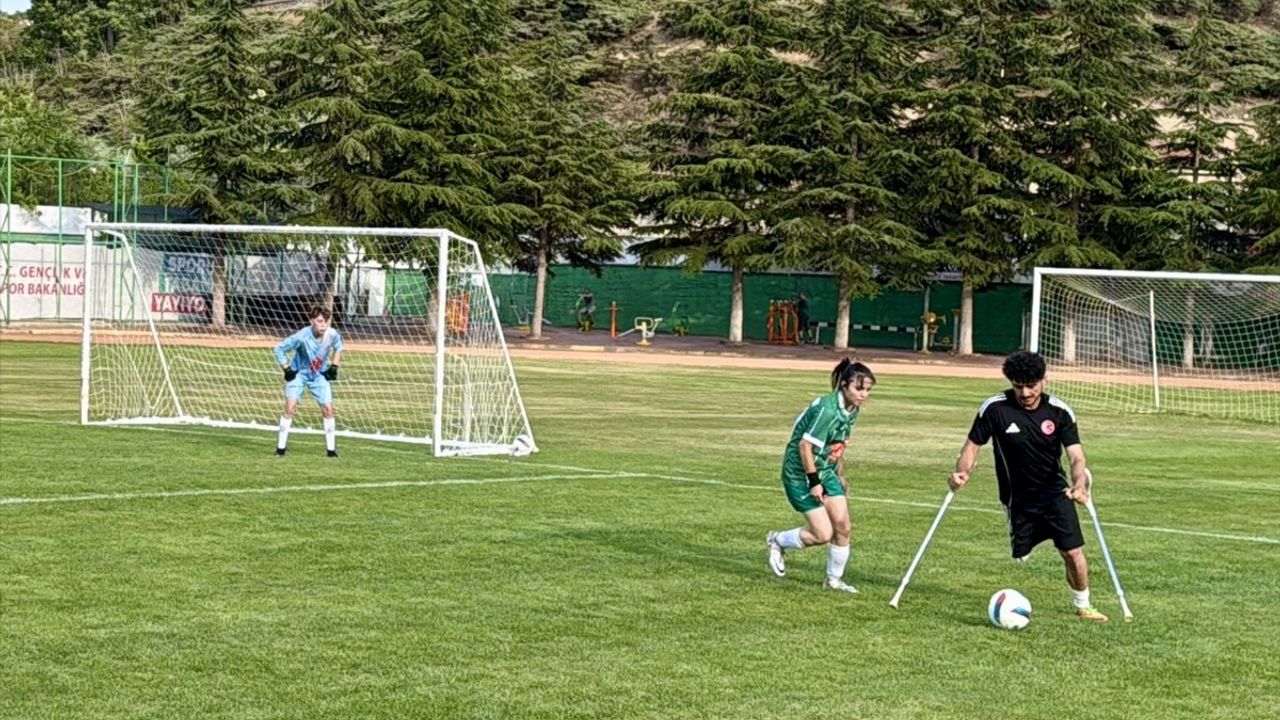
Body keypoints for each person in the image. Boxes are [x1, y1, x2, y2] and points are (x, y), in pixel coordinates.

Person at [948, 350, 1109, 622]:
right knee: (1021, 554)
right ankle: (1024, 546)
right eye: (1018, 386)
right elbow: (972, 447)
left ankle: (1084, 605)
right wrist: (960, 473)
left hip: (1055, 492)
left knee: (1072, 551)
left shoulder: (1059, 412)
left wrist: (1079, 485)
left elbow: (1076, 457)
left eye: (1031, 385)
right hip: (1017, 499)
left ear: (1044, 380)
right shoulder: (995, 408)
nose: (1025, 393)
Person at [765, 358, 876, 592]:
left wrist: (840, 475)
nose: (864, 395)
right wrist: (814, 482)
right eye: (859, 388)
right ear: (844, 385)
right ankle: (777, 541)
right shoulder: (828, 409)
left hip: (825, 470)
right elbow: (804, 446)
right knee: (823, 533)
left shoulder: (852, 409)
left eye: (868, 390)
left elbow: (838, 444)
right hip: (799, 473)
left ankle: (833, 580)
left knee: (843, 526)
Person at [273, 306, 344, 458]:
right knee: (290, 408)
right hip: (299, 374)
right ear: (311, 320)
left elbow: (338, 347)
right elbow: (279, 349)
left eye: (326, 321)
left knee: (328, 409)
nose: (323, 325)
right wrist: (287, 369)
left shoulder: (332, 334)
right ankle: (280, 449)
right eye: (320, 321)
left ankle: (331, 451)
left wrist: (334, 366)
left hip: (318, 375)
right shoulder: (302, 336)